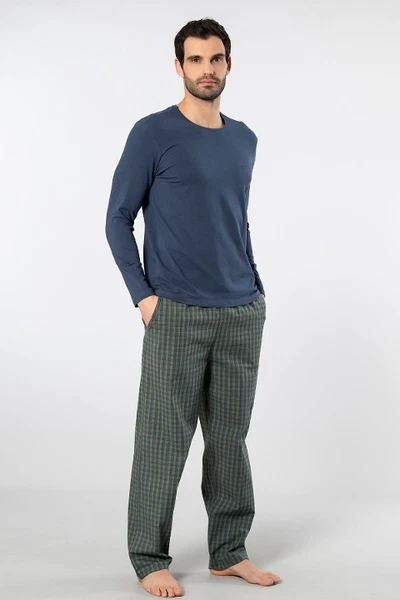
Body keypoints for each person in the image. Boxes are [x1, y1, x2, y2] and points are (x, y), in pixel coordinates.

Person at [105, 17, 281, 598]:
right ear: (178, 66)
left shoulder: (245, 138)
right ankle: (148, 556)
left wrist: (255, 288)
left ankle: (229, 552)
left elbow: (235, 219)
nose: (208, 69)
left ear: (229, 64)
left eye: (217, 58)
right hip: (176, 311)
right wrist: (144, 297)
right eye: (196, 60)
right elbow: (117, 219)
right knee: (163, 440)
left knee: (229, 440)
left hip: (240, 311)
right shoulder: (153, 133)